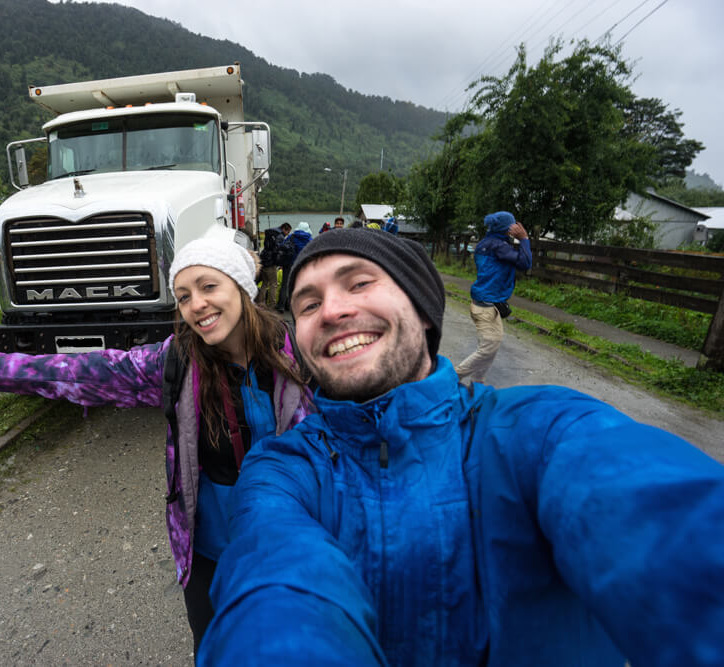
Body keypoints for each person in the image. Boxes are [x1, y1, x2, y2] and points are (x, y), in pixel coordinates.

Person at [198, 228, 724, 666]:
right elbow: (273, 579)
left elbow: (663, 518)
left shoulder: (538, 431)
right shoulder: (284, 468)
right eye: (307, 303)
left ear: (425, 312)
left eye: (359, 283)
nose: (331, 310)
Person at [0, 227, 313, 653]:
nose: (196, 305)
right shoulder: (175, 361)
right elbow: (83, 373)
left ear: (240, 286)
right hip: (210, 550)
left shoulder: (300, 353)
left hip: (293, 541)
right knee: (217, 648)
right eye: (183, 296)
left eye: (208, 286)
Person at [454, 210, 531, 383]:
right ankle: (452, 377)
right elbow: (525, 263)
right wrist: (524, 239)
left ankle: (477, 384)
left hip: (486, 304)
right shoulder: (498, 246)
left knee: (490, 347)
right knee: (489, 348)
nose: (514, 228)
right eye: (512, 225)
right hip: (486, 306)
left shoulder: (487, 243)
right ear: (506, 227)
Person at [274, 221, 313, 312]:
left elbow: (282, 245)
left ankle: (281, 306)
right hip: (302, 265)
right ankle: (294, 305)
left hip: (289, 264)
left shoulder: (292, 236)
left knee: (285, 284)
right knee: (298, 285)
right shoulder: (309, 239)